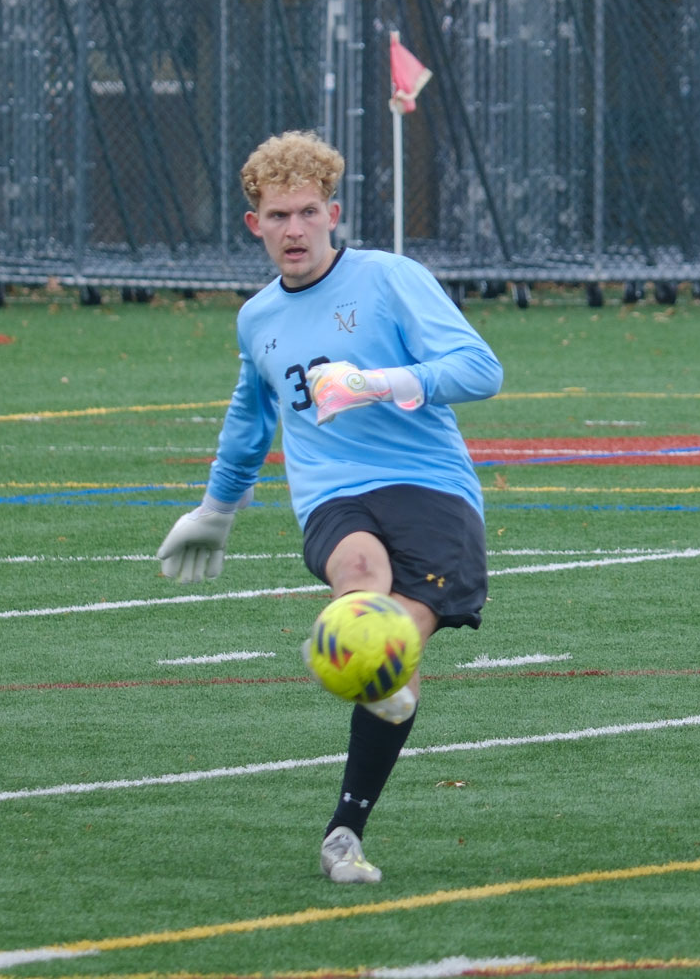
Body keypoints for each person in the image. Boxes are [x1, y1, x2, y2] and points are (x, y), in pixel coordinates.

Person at [156, 130, 503, 883]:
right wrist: (216, 509)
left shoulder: (389, 278)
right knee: (360, 575)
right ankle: (370, 672)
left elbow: (480, 369)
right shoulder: (257, 319)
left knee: (391, 655)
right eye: (278, 216)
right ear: (255, 225)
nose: (294, 230)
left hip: (429, 484)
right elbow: (250, 419)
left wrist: (378, 383)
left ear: (333, 215)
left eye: (308, 212)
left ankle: (346, 827)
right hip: (332, 496)